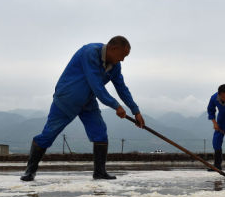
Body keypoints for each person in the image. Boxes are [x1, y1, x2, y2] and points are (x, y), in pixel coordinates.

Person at [20, 36, 145, 181]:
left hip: (88, 101)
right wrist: (116, 105)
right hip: (67, 98)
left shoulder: (115, 66)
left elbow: (121, 88)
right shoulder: (90, 53)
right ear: (113, 49)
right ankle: (30, 171)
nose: (123, 60)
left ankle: (100, 172)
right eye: (123, 55)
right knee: (49, 134)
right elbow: (96, 85)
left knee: (100, 132)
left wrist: (136, 111)